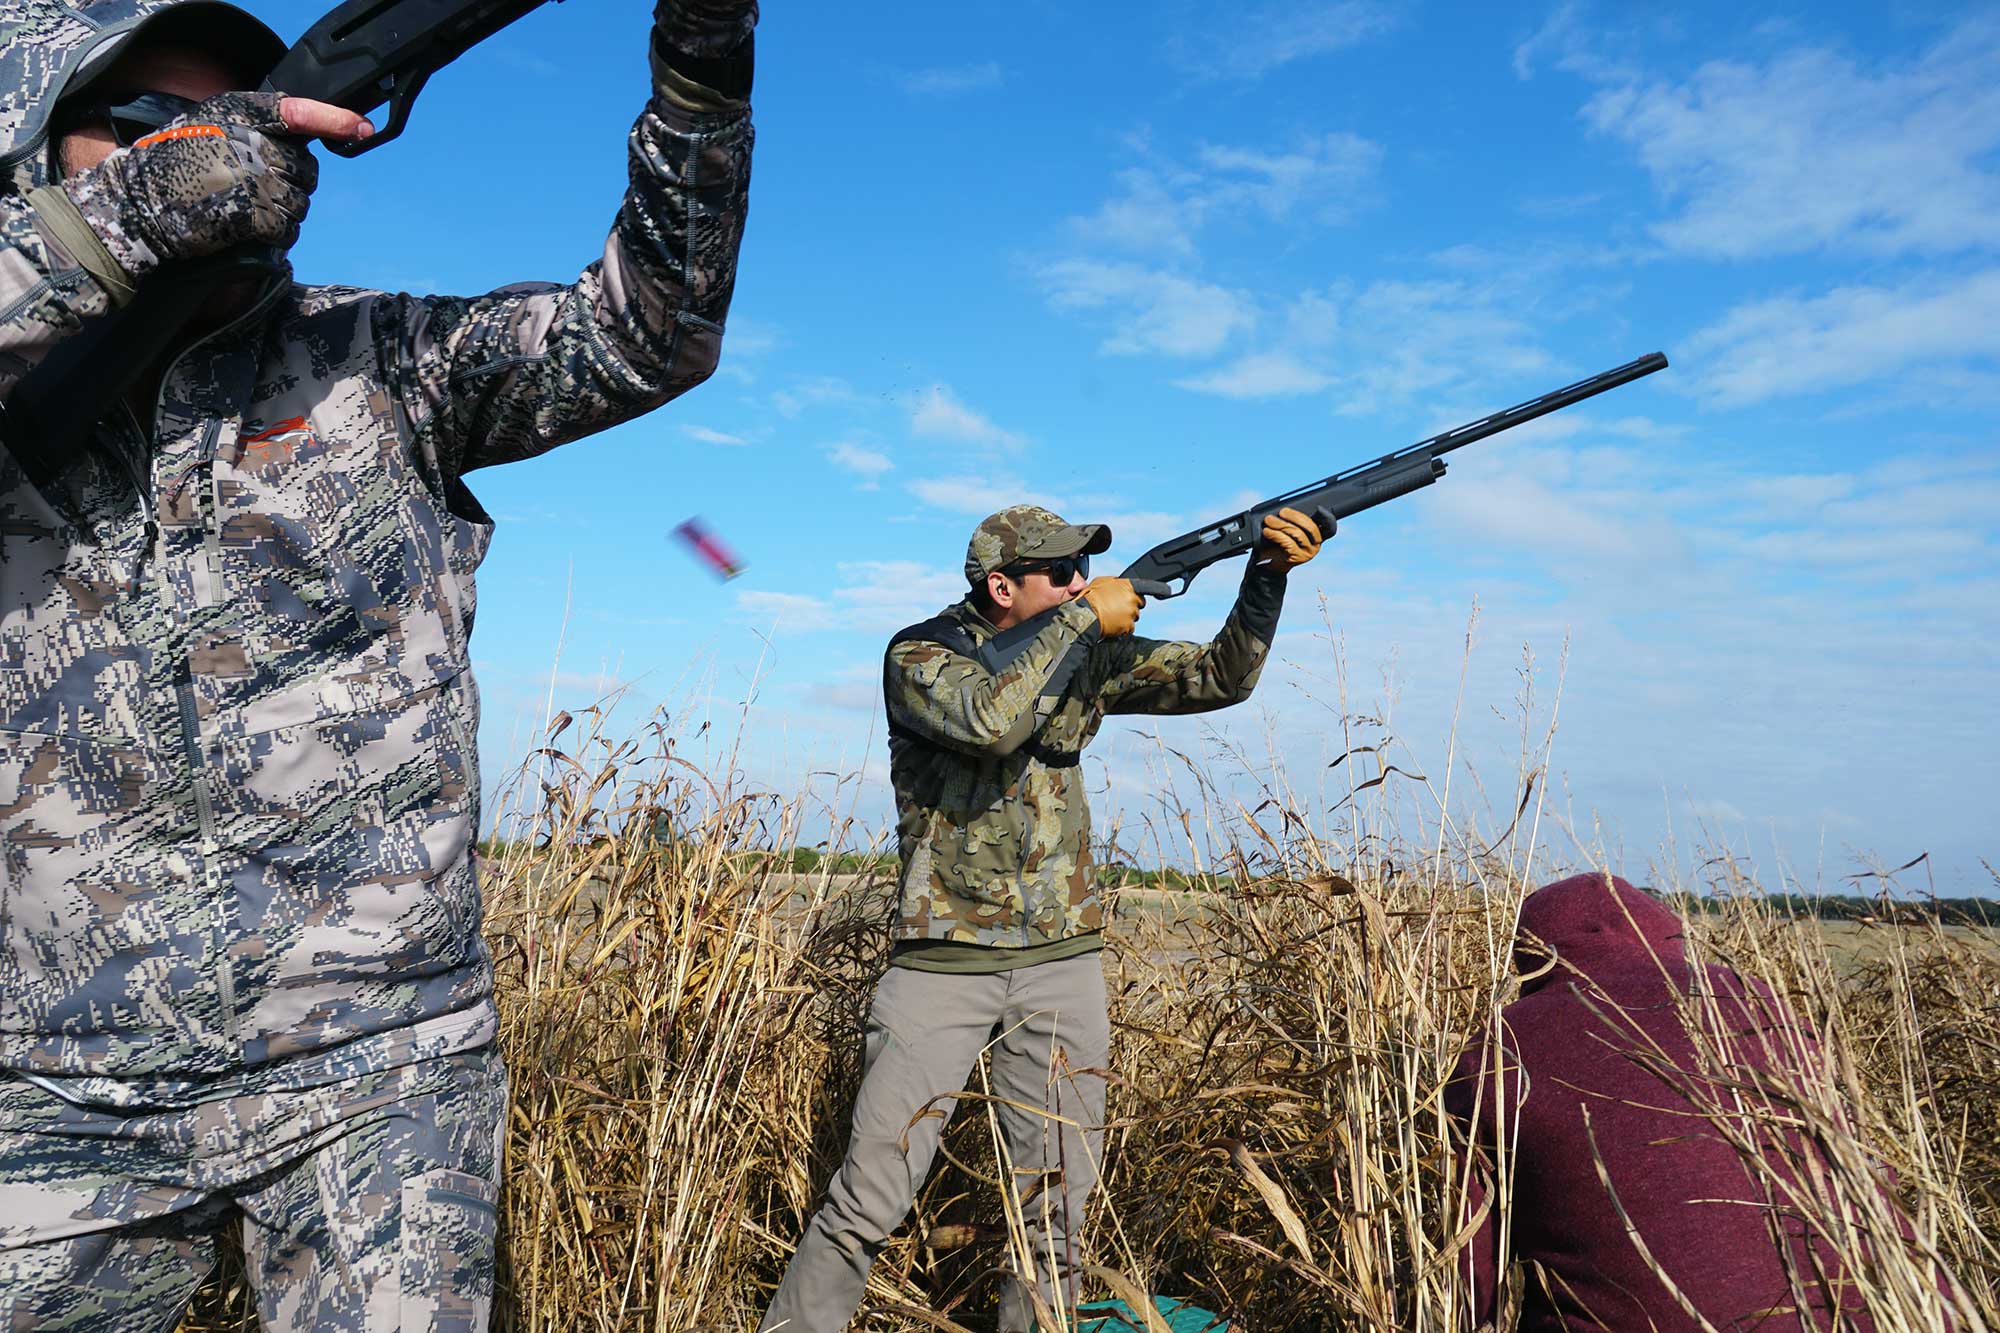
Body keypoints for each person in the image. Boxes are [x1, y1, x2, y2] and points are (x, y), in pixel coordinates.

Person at [0, 1, 755, 1327]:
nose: (190, 150)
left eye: (226, 114)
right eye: (134, 130)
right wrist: (134, 220)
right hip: (54, 1086)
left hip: (384, 1067)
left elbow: (650, 333)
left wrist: (700, 68)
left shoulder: (384, 360)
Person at [760, 503, 1328, 1333]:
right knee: (869, 1199)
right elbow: (991, 722)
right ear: (1000, 586)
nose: (1077, 583)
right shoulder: (921, 655)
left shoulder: (1080, 650)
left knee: (1056, 1216)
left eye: (1080, 571)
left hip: (1062, 963)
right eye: (1059, 573)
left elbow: (1219, 677)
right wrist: (1080, 619)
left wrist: (1266, 576)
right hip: (943, 966)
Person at [1445, 872, 1892, 1332]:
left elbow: (1471, 1277)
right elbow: (1871, 1180)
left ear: (1531, 955)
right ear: (1670, 933)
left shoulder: (1501, 1048)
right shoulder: (1768, 1007)